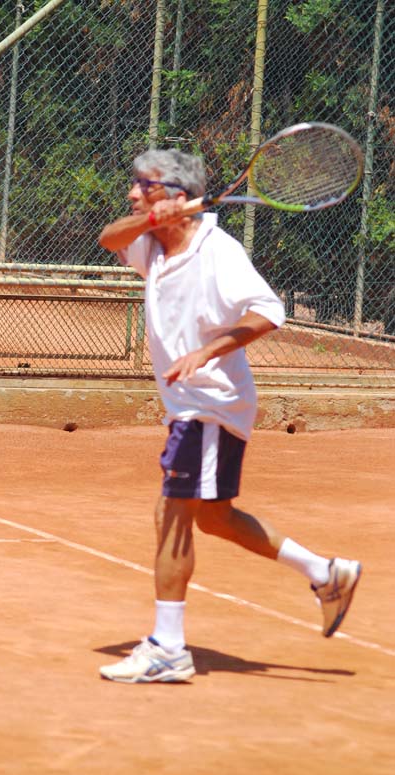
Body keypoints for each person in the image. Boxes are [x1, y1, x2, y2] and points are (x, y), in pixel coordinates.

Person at [97, 149, 362, 684]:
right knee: (214, 517)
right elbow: (109, 237)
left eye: (144, 185)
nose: (132, 193)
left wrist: (207, 351)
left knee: (171, 512)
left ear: (177, 194)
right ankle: (325, 572)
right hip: (193, 406)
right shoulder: (152, 244)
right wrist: (152, 217)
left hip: (210, 404)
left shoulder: (218, 251)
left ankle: (168, 647)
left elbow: (268, 312)